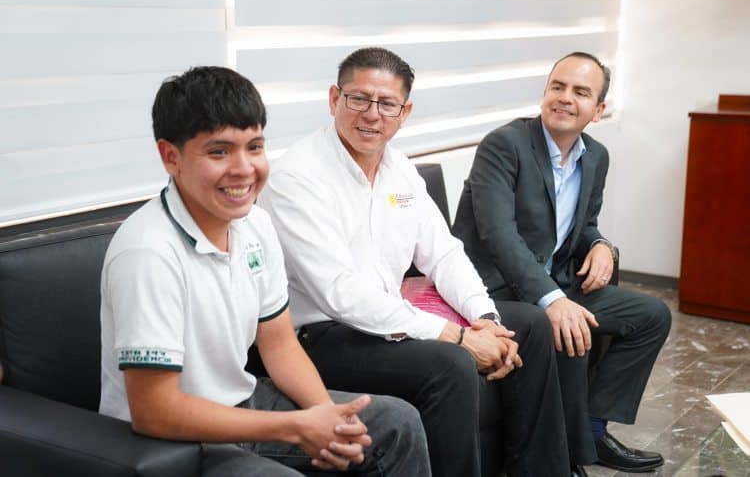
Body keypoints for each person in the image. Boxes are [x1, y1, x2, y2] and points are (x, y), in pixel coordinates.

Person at [98, 66, 431, 477]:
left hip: (243, 406)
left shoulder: (255, 225)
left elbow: (280, 346)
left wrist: (327, 419)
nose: (243, 168)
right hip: (169, 444)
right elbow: (155, 410)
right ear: (171, 157)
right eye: (219, 152)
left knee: (397, 424)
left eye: (254, 147)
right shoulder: (148, 251)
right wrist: (295, 428)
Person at [260, 47, 573, 477]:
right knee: (451, 364)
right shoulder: (297, 177)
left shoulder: (399, 169)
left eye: (387, 104)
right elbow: (340, 293)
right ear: (334, 99)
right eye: (359, 99)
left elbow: (443, 253)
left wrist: (485, 320)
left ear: (404, 112)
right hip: (322, 335)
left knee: (531, 325)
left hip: (389, 317)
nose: (372, 114)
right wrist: (456, 338)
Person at [452, 52, 672, 473]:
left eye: (580, 92)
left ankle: (592, 431)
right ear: (545, 93)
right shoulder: (505, 145)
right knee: (567, 327)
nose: (565, 98)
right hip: (492, 290)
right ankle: (567, 456)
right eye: (558, 86)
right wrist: (552, 300)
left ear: (598, 109)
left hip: (553, 283)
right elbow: (498, 235)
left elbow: (583, 224)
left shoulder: (596, 156)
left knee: (651, 316)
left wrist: (601, 244)